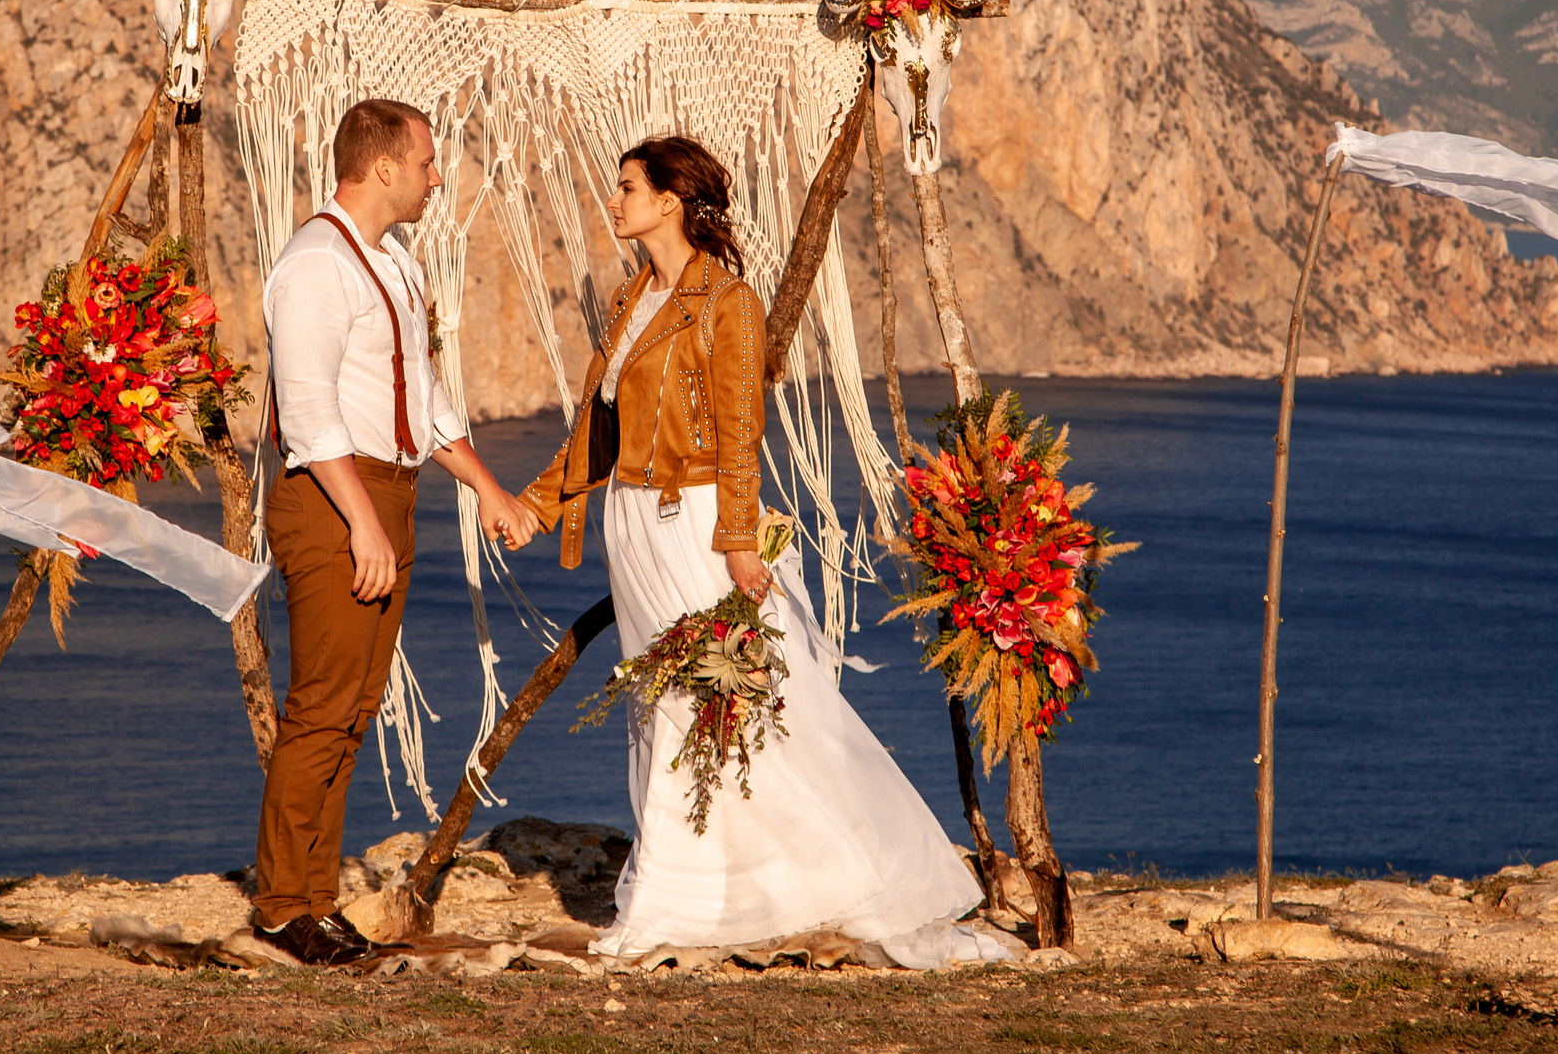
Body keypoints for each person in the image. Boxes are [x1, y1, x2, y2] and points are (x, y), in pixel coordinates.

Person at [519, 136, 1014, 967]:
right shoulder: (629, 298)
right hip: (631, 525)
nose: (614, 200)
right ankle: (706, 890)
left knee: (731, 705)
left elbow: (741, 436)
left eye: (628, 186)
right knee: (660, 710)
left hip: (695, 519)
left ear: (670, 200)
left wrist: (741, 544)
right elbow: (600, 433)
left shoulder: (728, 302)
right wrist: (536, 505)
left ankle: (756, 890)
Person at [254, 97, 540, 965]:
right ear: (381, 167)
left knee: (357, 706)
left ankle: (313, 897)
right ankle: (278, 905)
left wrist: (486, 487)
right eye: (425, 160)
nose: (434, 175)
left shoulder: (395, 263)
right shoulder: (315, 266)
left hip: (388, 492)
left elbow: (423, 396)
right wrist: (364, 524)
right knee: (322, 706)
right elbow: (306, 413)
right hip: (334, 497)